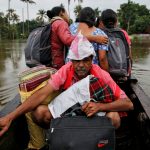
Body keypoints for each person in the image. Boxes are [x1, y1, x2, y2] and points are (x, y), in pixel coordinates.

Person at [0, 34, 133, 141]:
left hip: (94, 117)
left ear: (92, 59)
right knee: (40, 112)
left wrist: (100, 107)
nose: (81, 65)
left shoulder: (101, 74)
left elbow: (128, 104)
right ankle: (64, 137)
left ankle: (91, 141)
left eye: (85, 60)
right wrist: (10, 117)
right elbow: (40, 94)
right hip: (70, 115)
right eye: (76, 60)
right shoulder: (65, 70)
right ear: (71, 61)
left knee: (114, 117)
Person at [69, 7, 109, 71]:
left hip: (71, 69)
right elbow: (102, 58)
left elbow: (70, 39)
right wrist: (106, 75)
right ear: (94, 18)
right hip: (89, 72)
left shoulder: (72, 27)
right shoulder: (100, 34)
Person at [99, 9, 132, 78]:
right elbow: (129, 55)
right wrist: (129, 72)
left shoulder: (100, 34)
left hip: (109, 73)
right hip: (124, 71)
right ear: (116, 21)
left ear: (102, 22)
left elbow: (102, 58)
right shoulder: (123, 33)